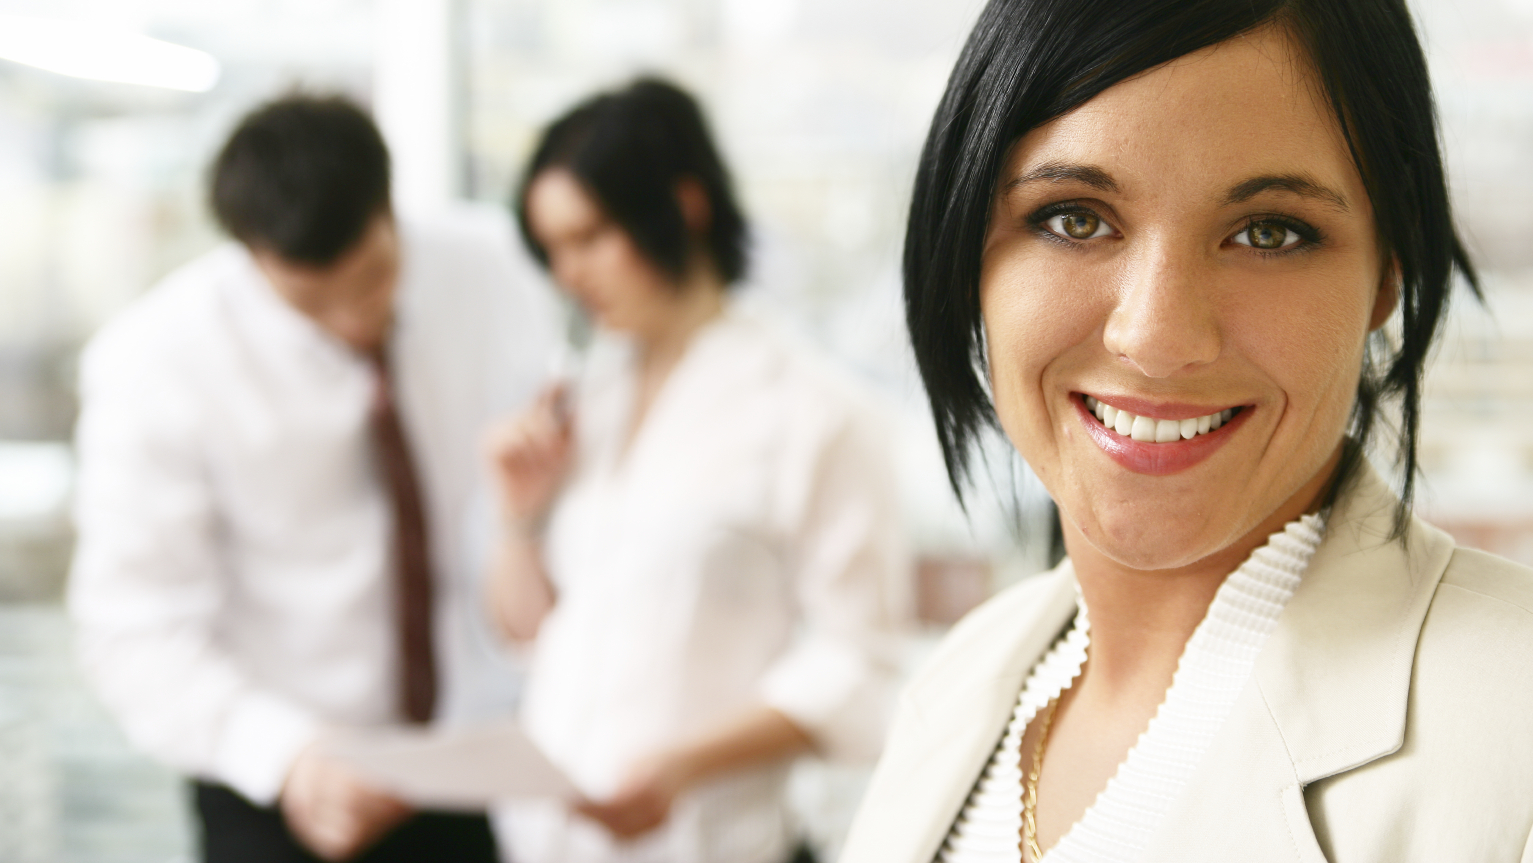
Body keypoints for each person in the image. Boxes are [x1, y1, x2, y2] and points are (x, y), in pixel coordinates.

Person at [838, 0, 1533, 862]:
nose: (1157, 336)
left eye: (1270, 233)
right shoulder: (963, 685)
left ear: (1387, 273)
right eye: (1075, 218)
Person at [70, 92, 561, 862]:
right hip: (277, 775)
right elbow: (135, 625)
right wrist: (288, 754)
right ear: (251, 253)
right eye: (310, 301)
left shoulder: (497, 270)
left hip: (475, 765)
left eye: (371, 281)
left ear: (389, 208)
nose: (351, 321)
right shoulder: (155, 365)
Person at [484, 77, 911, 863]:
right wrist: (517, 518)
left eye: (589, 238)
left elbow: (859, 664)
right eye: (552, 250)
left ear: (683, 207)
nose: (568, 277)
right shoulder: (588, 399)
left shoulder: (814, 409)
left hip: (710, 842)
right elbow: (531, 634)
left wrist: (682, 766)